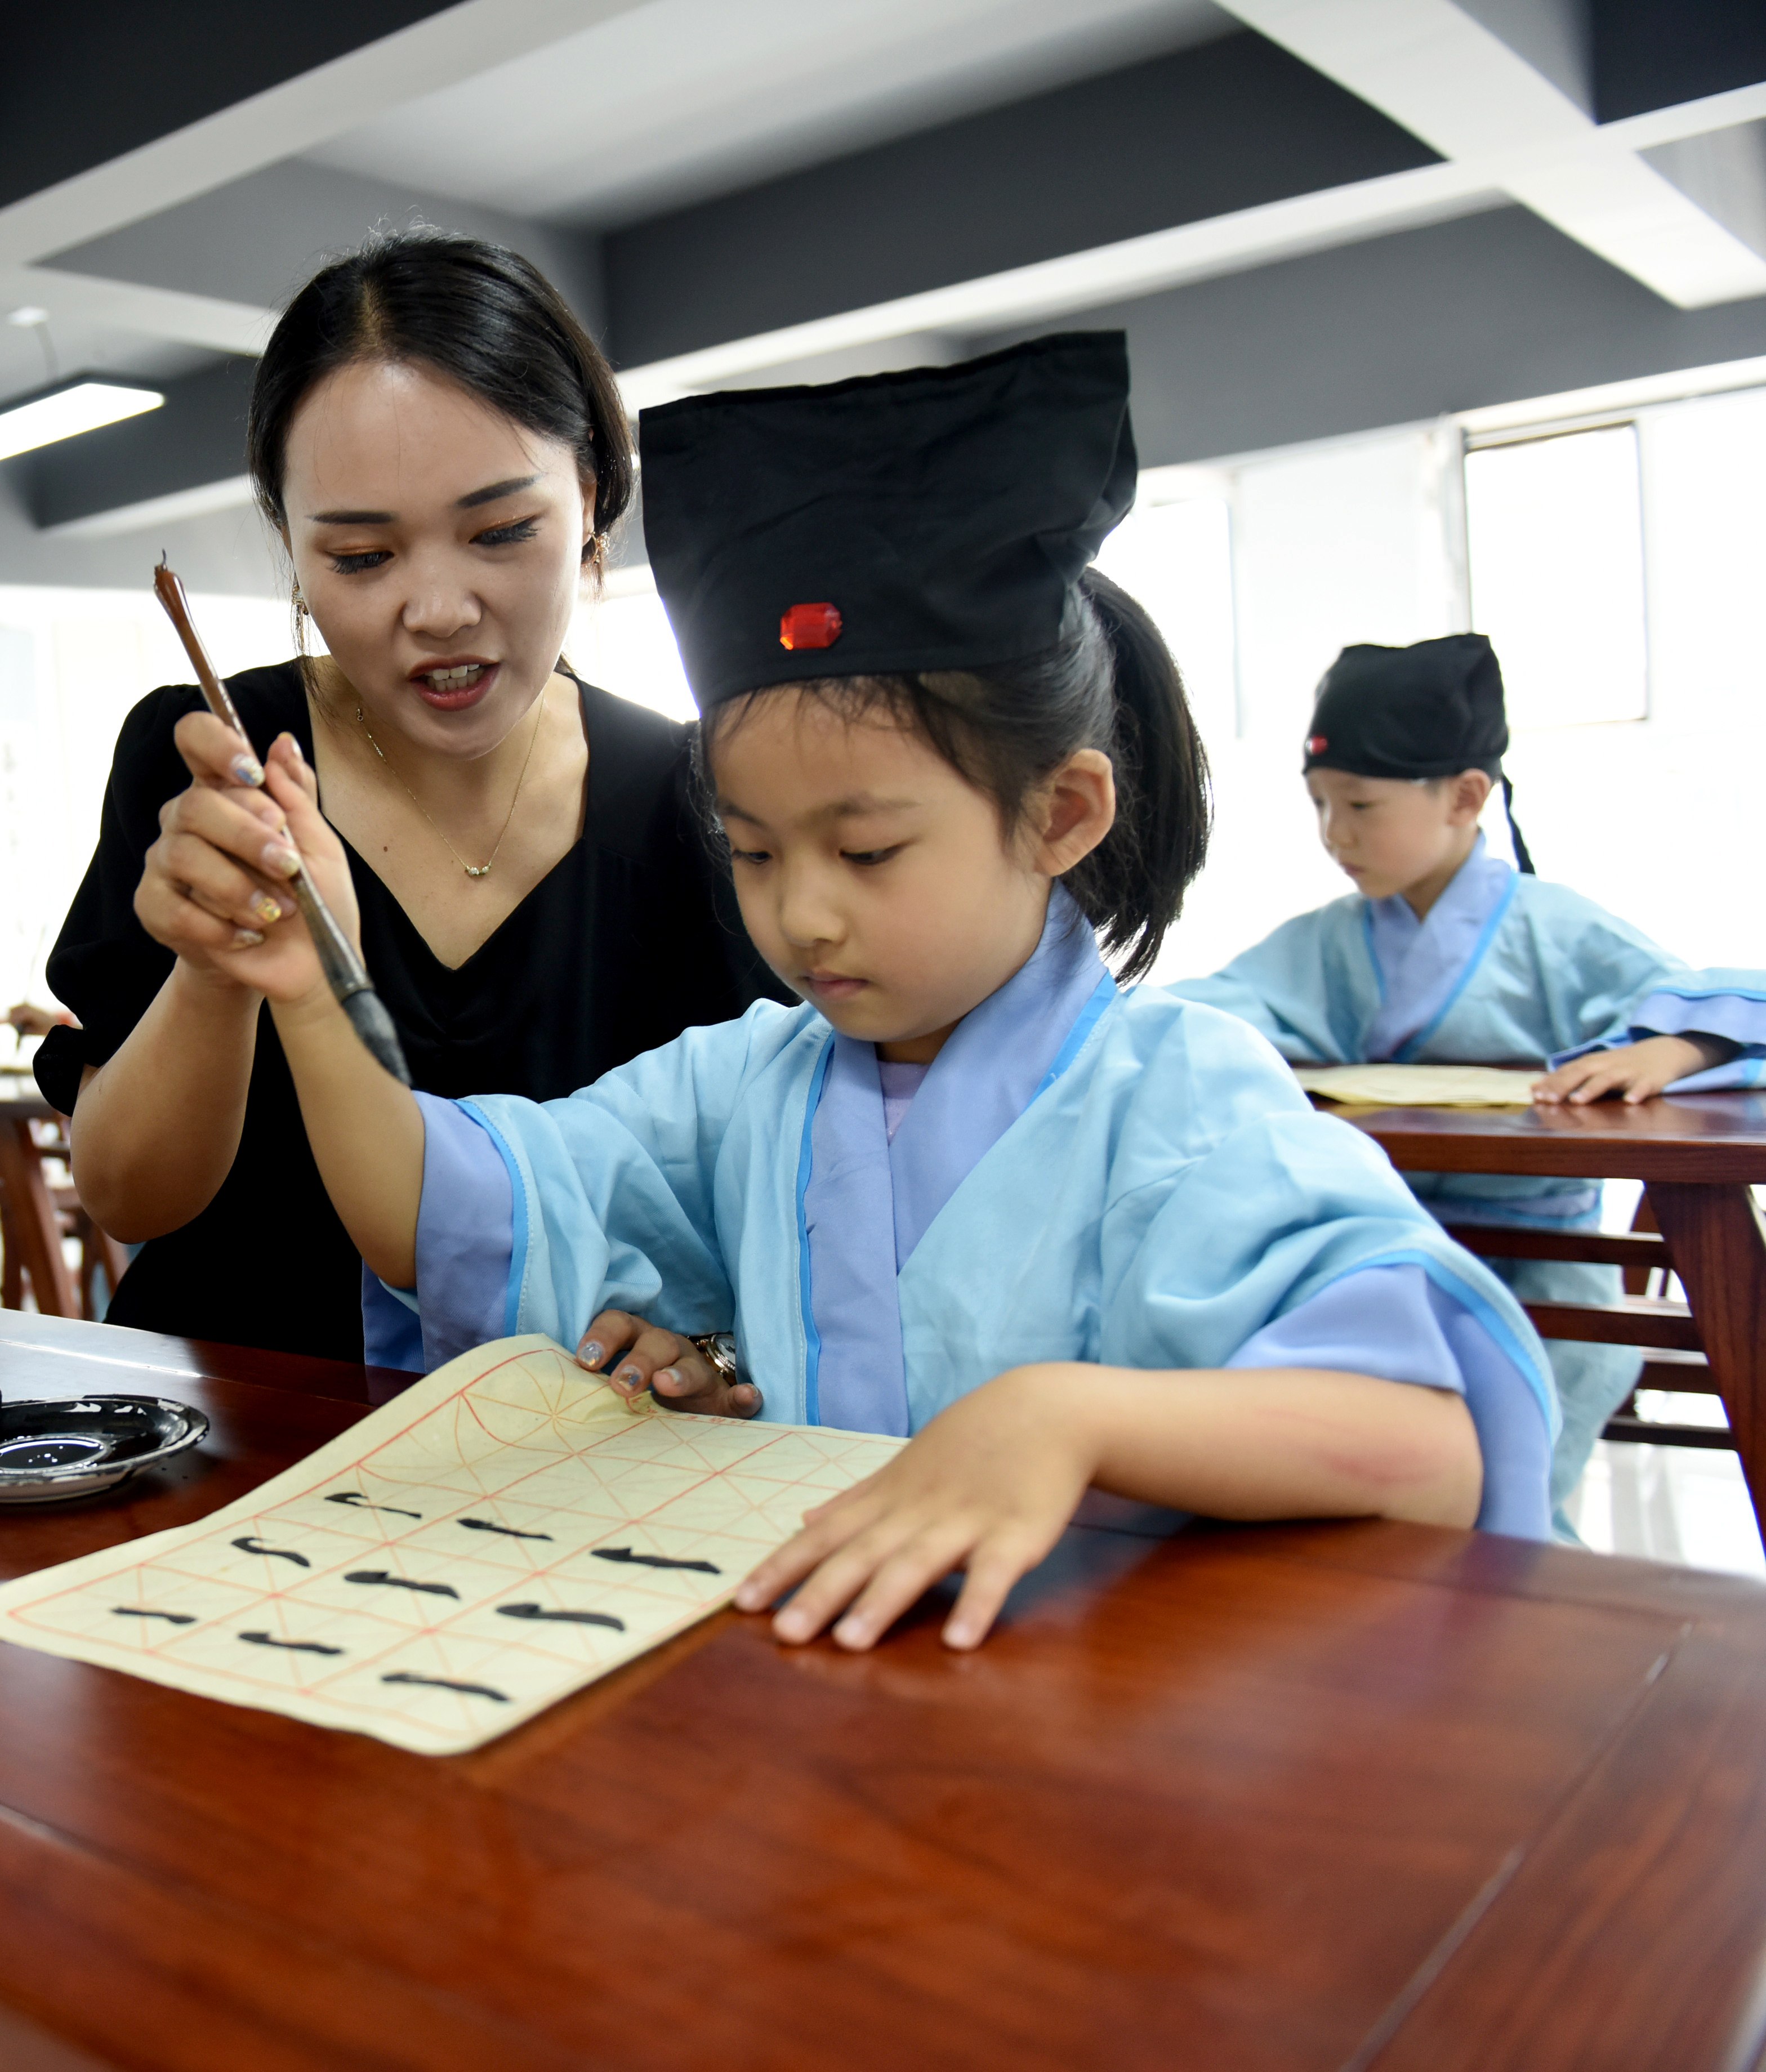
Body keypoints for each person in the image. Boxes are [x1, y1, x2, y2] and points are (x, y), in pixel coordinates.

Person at [195, 332, 1556, 1653]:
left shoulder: (1182, 1102)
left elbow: (1424, 1449)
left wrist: (1065, 1419)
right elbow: (438, 1209)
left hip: (1105, 1699)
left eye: (866, 851)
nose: (801, 913)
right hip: (833, 1687)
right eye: (752, 851)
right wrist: (314, 991)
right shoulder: (746, 1085)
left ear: (1060, 813)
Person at [39, 231, 784, 1364]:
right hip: (245, 1427)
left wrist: (705, 1347)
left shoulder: (699, 799)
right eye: (361, 557)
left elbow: (749, 1204)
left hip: (566, 1442)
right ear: (293, 548)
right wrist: (215, 969)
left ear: (590, 497)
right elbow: (131, 1198)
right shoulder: (210, 764)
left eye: (501, 532)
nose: (438, 609)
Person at [1166, 635, 1764, 1535]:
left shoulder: (1554, 928)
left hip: (1546, 1273)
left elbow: (1717, 1003)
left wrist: (1672, 1052)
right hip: (1384, 1251)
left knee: (1501, 1496)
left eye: (1360, 804)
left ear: (1466, 797)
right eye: (1320, 805)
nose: (1335, 834)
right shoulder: (1330, 940)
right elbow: (1213, 1010)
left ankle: (1516, 1601)